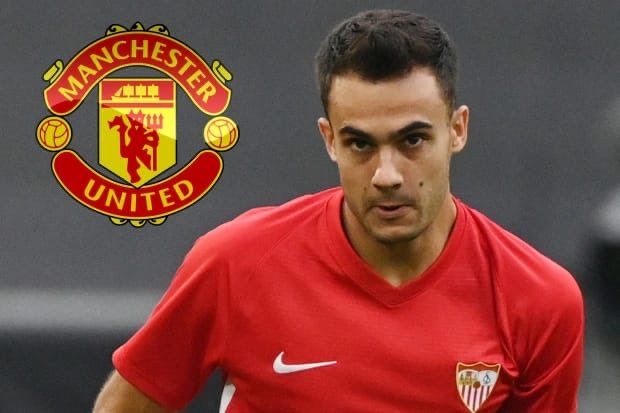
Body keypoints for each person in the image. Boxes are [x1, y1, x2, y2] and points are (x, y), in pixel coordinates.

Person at [93, 9, 584, 413]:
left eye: (413, 140)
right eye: (360, 144)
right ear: (330, 140)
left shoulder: (540, 301)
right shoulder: (234, 263)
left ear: (457, 130)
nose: (386, 174)